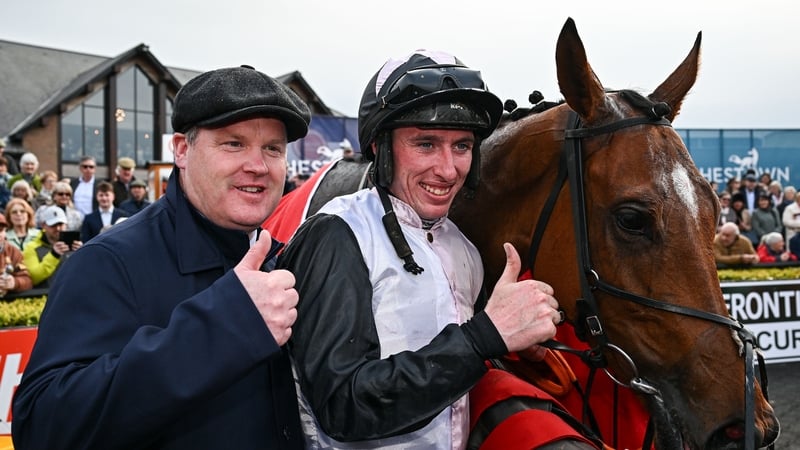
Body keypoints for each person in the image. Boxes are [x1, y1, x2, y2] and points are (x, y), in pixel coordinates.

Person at [13, 64, 312, 449]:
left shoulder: (282, 255)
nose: (257, 166)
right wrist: (223, 328)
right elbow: (43, 428)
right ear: (182, 150)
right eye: (233, 143)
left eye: (272, 148)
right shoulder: (108, 261)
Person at [278, 50, 563, 448]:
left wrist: (514, 342)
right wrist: (484, 336)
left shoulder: (464, 250)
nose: (448, 170)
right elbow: (344, 405)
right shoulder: (338, 234)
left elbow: (456, 362)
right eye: (426, 144)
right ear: (380, 146)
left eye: (461, 146)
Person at [21, 205, 83, 288]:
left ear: (66, 225)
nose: (58, 228)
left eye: (60, 224)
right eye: (53, 225)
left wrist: (83, 254)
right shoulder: (31, 248)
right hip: (43, 297)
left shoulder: (76, 245)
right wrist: (54, 255)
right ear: (43, 225)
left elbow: (88, 273)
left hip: (72, 294)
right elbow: (33, 277)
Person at [0, 212, 33, 297]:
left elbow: (27, 280)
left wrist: (14, 283)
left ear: (5, 232)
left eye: (0, 230)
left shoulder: (13, 252)